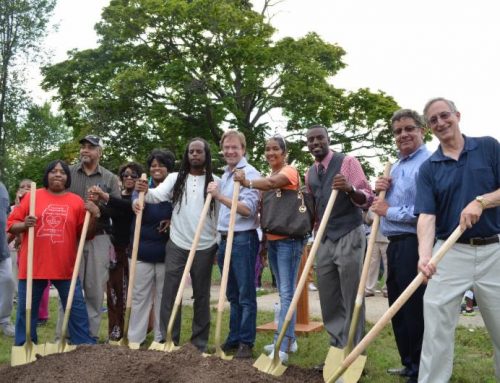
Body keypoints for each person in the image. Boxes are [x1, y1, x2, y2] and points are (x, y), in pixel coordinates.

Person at [415, 97, 500, 383]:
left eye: (444, 116)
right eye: (434, 120)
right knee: (436, 328)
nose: (441, 123)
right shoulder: (428, 168)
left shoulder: (488, 147)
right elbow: (426, 217)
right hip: (449, 254)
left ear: (457, 115)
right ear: (429, 128)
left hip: (494, 252)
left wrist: (482, 201)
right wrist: (425, 256)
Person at [136, 138, 219, 351]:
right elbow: (155, 197)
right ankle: (168, 338)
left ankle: (198, 343)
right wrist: (144, 191)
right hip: (177, 243)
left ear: (206, 155)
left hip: (204, 245)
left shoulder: (214, 182)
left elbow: (221, 214)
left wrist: (217, 240)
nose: (194, 155)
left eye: (199, 151)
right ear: (186, 155)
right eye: (191, 151)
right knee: (171, 292)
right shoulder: (175, 178)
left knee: (201, 294)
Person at [7, 160, 99, 346]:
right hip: (33, 266)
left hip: (65, 267)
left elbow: (85, 235)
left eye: (62, 172)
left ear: (67, 178)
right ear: (46, 175)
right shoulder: (32, 197)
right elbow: (11, 225)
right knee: (27, 312)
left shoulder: (76, 201)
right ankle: (25, 345)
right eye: (53, 171)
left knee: (76, 309)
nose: (58, 175)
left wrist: (95, 216)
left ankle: (83, 347)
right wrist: (25, 224)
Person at [305, 125, 373, 366]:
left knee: (351, 295)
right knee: (329, 297)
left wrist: (349, 189)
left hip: (348, 233)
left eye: (319, 138)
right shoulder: (310, 173)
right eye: (311, 139)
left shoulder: (348, 163)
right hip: (323, 238)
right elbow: (314, 208)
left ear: (328, 139)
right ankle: (337, 349)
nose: (315, 143)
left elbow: (368, 197)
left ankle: (354, 354)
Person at [371, 109, 431, 383]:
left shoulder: (427, 164)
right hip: (393, 244)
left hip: (414, 243)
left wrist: (389, 210)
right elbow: (382, 204)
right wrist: (381, 189)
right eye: (398, 131)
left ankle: (420, 368)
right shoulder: (396, 165)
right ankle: (407, 362)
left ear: (421, 130)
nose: (403, 135)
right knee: (396, 306)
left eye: (409, 129)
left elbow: (425, 212)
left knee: (414, 308)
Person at [234, 135, 306, 362]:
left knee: (286, 293)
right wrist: (264, 243)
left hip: (290, 240)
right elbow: (265, 211)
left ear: (284, 153)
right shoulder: (269, 177)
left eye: (276, 149)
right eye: (267, 149)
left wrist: (247, 182)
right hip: (274, 240)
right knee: (284, 293)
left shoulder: (290, 172)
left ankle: (282, 345)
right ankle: (289, 340)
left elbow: (274, 184)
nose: (271, 153)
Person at [207, 130, 260, 358]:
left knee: (245, 294)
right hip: (225, 238)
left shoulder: (250, 174)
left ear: (243, 149)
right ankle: (234, 338)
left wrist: (220, 197)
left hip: (242, 239)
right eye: (226, 147)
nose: (230, 151)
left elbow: (248, 210)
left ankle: (246, 343)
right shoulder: (227, 175)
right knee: (232, 294)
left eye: (234, 147)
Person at [68, 135, 121, 340]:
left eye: (91, 147)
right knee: (69, 287)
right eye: (83, 147)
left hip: (99, 238)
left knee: (94, 289)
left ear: (100, 152)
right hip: (71, 238)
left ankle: (90, 337)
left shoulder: (109, 178)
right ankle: (65, 334)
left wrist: (99, 209)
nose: (85, 151)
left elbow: (118, 211)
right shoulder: (69, 173)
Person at [88, 161, 144, 340]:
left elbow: (126, 209)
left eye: (133, 175)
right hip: (114, 251)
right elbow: (109, 212)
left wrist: (104, 196)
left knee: (129, 294)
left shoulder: (138, 199)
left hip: (133, 252)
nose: (129, 178)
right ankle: (115, 331)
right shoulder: (117, 196)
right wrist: (96, 206)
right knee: (113, 292)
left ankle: (132, 330)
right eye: (125, 175)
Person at [126, 149, 174, 345]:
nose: (156, 169)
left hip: (166, 253)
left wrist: (172, 220)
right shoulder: (141, 188)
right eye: (153, 165)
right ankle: (135, 339)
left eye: (161, 165)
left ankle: (160, 339)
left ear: (169, 169)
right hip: (141, 252)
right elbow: (134, 203)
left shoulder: (175, 190)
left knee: (163, 298)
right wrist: (137, 202)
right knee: (139, 297)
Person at [0, 180, 15, 337]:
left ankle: (4, 320)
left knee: (8, 281)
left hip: (2, 249)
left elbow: (7, 216)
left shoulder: (2, 188)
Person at [363, 209, 388, 298]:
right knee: (371, 263)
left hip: (387, 236)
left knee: (387, 264)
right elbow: (367, 220)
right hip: (373, 236)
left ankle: (387, 289)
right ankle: (369, 289)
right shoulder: (373, 201)